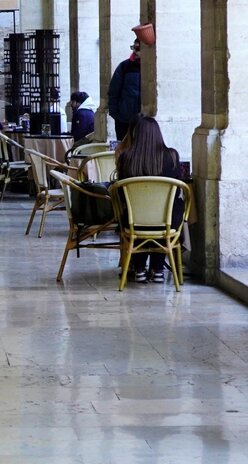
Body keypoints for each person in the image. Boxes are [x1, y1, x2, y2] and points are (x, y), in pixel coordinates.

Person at [115, 116, 185, 284]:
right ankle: (158, 269)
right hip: (167, 222)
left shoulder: (126, 158)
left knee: (136, 215)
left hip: (134, 221)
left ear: (136, 134)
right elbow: (177, 190)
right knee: (168, 212)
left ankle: (139, 268)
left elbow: (121, 194)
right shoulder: (172, 156)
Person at [107, 38, 141, 142]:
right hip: (124, 121)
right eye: (133, 47)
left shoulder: (152, 68)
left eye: (137, 48)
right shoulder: (124, 67)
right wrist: (116, 115)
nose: (134, 51)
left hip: (143, 122)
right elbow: (113, 92)